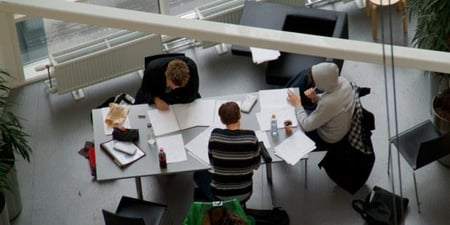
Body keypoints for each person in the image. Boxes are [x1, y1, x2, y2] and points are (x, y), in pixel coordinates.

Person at [194, 102, 261, 204]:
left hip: (220, 195)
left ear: (221, 120)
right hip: (245, 193)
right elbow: (256, 166)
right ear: (240, 115)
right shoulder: (250, 137)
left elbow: (212, 164)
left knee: (198, 175)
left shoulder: (215, 136)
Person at [286, 62, 355, 150]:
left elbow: (307, 126)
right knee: (303, 110)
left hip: (328, 138)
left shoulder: (329, 103)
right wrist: (315, 97)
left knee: (294, 125)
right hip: (339, 123)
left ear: (321, 83)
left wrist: (297, 104)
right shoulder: (343, 81)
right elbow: (332, 100)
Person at [134, 55, 200, 110]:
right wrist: (155, 99)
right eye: (172, 85)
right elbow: (145, 90)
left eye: (178, 87)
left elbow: (191, 95)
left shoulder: (192, 68)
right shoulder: (152, 70)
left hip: (180, 96)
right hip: (158, 90)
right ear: (166, 74)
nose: (174, 88)